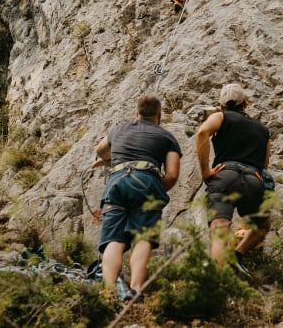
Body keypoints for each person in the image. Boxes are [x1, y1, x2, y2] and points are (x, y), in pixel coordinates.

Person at [93, 94, 182, 300]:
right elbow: (172, 174)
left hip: (116, 183)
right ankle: (135, 290)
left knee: (114, 240)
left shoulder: (119, 130)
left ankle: (108, 292)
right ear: (159, 114)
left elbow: (100, 150)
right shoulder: (166, 137)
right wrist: (155, 190)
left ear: (136, 112)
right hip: (147, 182)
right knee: (143, 238)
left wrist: (109, 158)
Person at [196, 83, 272, 276]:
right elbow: (264, 165)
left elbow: (202, 132)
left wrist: (205, 171)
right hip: (253, 179)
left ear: (222, 105)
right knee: (262, 226)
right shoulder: (263, 130)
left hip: (225, 175)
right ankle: (237, 254)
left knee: (220, 226)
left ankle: (218, 280)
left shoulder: (220, 117)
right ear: (245, 103)